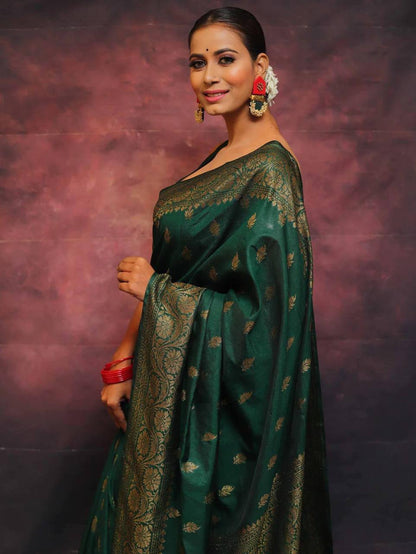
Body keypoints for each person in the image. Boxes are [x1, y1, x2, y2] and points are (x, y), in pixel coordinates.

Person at [80, 7, 333, 553]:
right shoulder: (224, 156)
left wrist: (155, 290)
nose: (210, 76)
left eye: (225, 59)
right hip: (166, 387)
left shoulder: (270, 172)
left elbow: (263, 324)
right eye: (198, 63)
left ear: (259, 67)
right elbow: (181, 269)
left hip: (215, 415)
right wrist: (123, 360)